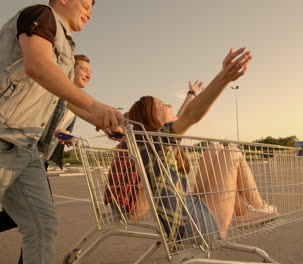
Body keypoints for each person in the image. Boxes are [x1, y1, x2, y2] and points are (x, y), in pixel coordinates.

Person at [107, 48, 277, 242]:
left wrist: (191, 94)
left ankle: (246, 211)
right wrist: (224, 77)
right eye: (163, 105)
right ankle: (259, 207)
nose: (169, 106)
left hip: (191, 216)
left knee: (215, 149)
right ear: (153, 119)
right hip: (199, 227)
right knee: (232, 151)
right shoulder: (158, 141)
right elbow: (190, 116)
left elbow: (180, 116)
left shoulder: (150, 144)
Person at [0, 1, 123, 263]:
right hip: (4, 135)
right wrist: (95, 105)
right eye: (87, 3)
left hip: (27, 149)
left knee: (42, 225)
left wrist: (102, 120)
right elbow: (38, 65)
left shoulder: (67, 45)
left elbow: (64, 98)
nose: (90, 12)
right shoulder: (41, 15)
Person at [0, 54, 92, 264]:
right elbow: (35, 119)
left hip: (37, 162)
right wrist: (57, 131)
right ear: (70, 68)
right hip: (17, 152)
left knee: (39, 220)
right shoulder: (52, 93)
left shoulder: (72, 106)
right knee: (37, 218)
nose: (89, 73)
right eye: (84, 69)